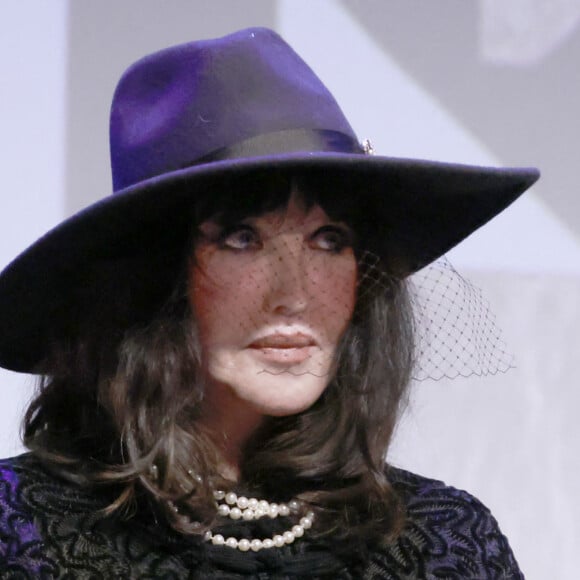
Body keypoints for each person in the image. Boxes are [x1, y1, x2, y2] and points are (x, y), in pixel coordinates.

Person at [0, 28, 538, 578]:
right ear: (152, 279)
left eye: (329, 241)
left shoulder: (442, 542)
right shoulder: (21, 532)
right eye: (242, 239)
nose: (296, 294)